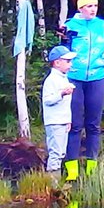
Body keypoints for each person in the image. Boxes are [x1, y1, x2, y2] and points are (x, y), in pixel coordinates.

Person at [60, 0, 104, 181]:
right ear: (81, 8)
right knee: (75, 125)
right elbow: (63, 50)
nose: (93, 9)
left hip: (97, 78)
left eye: (95, 5)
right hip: (74, 78)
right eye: (89, 6)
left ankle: (91, 170)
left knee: (93, 125)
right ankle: (71, 172)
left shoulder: (102, 26)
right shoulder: (70, 26)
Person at [39, 44, 74, 175]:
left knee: (61, 152)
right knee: (56, 153)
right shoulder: (51, 80)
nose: (70, 64)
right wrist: (61, 94)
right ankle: (52, 184)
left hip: (62, 121)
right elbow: (47, 100)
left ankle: (55, 184)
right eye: (68, 61)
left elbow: (66, 105)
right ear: (57, 62)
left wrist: (68, 121)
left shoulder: (63, 78)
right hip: (54, 122)